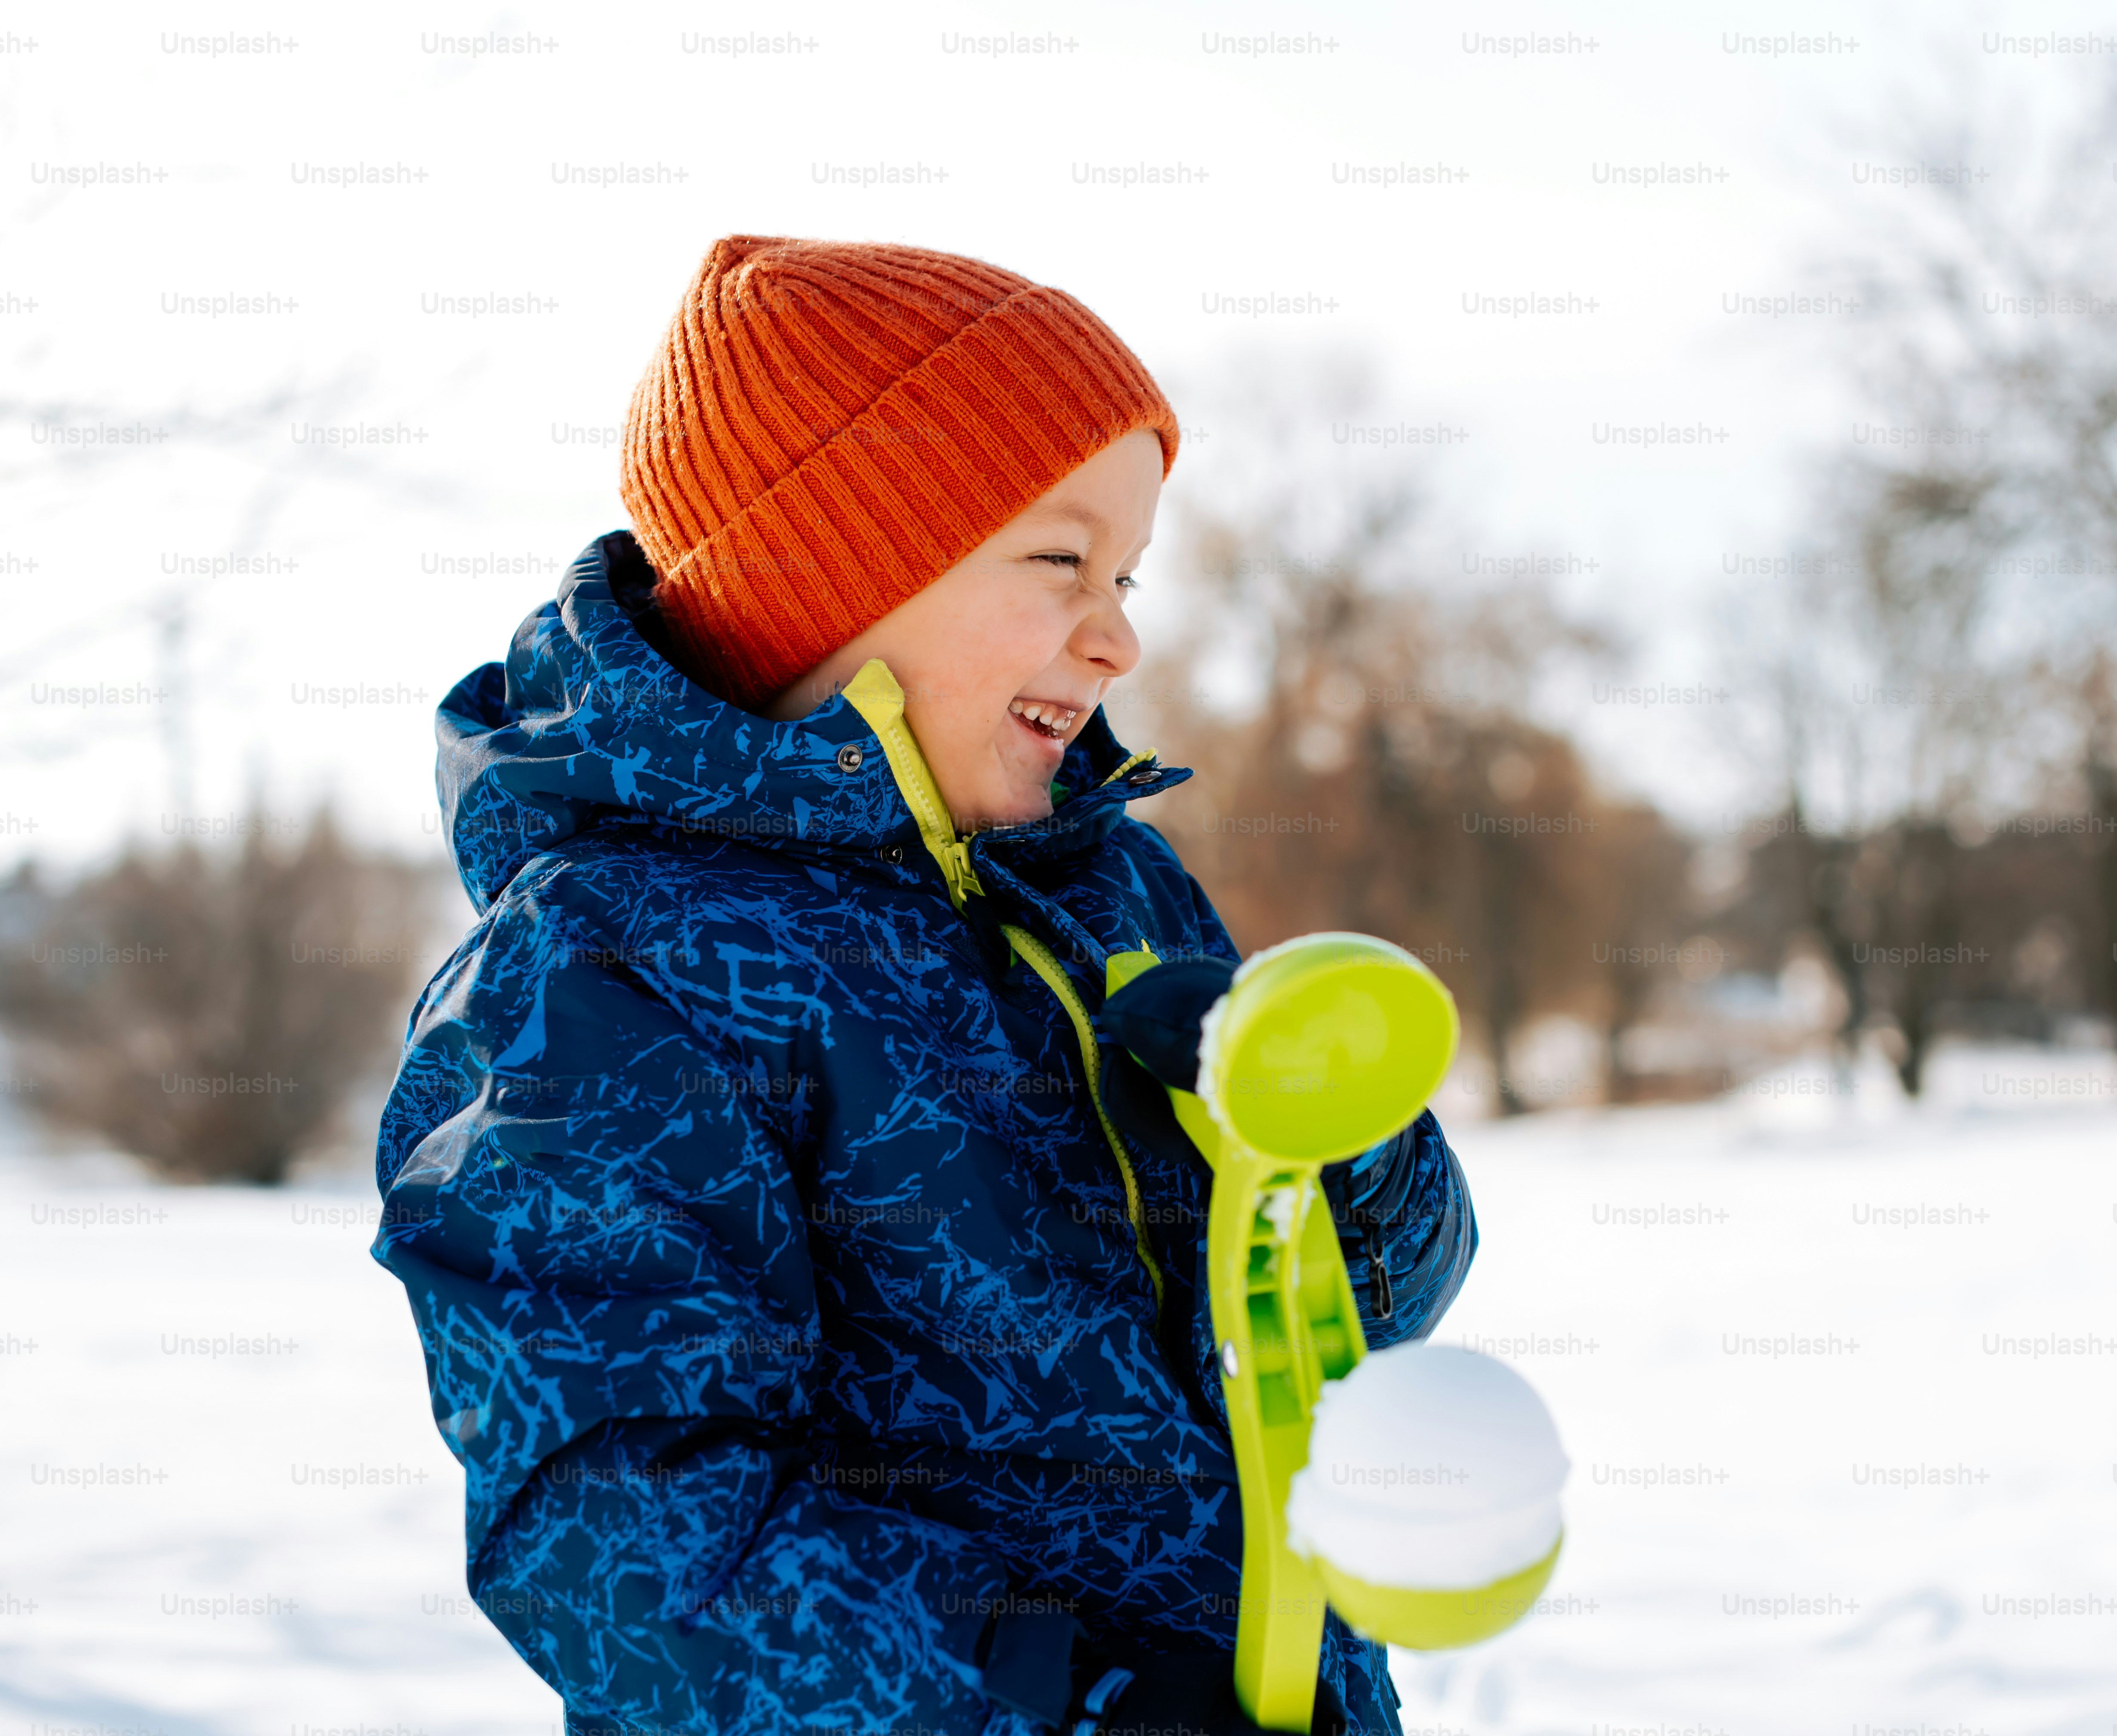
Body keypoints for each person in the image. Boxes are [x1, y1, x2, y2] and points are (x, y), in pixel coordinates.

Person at [370, 235, 1478, 1736]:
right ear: (837, 578)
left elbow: (1350, 1326)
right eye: (1060, 561)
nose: (1120, 631)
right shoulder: (610, 970)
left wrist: (1328, 1144)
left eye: (1129, 572)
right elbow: (616, 1531)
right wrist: (1052, 1705)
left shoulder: (1112, 895)